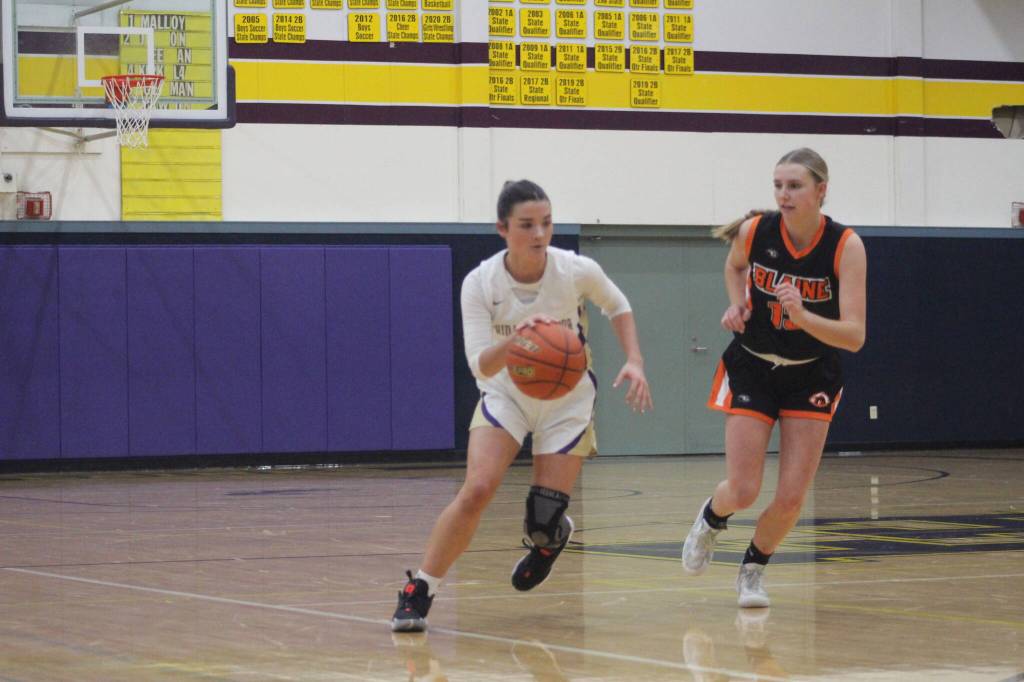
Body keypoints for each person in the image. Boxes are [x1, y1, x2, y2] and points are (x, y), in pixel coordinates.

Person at [391, 179, 653, 632]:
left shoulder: (575, 270)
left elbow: (618, 304)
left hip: (567, 400)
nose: (539, 234)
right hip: (506, 393)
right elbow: (479, 365)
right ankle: (422, 588)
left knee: (542, 519)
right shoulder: (480, 283)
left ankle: (550, 540)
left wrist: (634, 360)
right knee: (476, 490)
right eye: (527, 225)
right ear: (502, 228)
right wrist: (520, 339)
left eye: (546, 223)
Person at [681, 147, 867, 608]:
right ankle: (709, 519)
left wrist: (803, 317)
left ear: (821, 190)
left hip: (812, 374)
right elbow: (734, 266)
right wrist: (737, 303)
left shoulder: (846, 246)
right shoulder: (755, 230)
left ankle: (752, 570)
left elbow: (855, 335)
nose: (784, 195)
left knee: (790, 499)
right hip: (754, 364)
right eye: (779, 186)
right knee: (743, 489)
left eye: (795, 186)